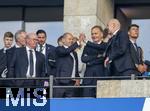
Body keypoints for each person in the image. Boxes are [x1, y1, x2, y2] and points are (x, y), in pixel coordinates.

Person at [81, 25, 106, 97]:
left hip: (101, 78)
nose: (93, 35)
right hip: (88, 80)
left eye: (96, 33)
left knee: (101, 104)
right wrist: (97, 56)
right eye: (92, 34)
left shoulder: (105, 45)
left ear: (101, 34)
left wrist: (90, 61)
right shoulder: (87, 47)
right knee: (87, 104)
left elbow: (103, 59)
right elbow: (83, 59)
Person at [54, 32, 81, 98]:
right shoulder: (59, 49)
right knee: (58, 104)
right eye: (69, 39)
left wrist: (77, 78)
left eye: (72, 39)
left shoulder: (74, 53)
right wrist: (77, 43)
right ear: (63, 40)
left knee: (69, 105)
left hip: (71, 82)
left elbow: (75, 67)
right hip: (61, 82)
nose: (71, 41)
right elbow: (66, 51)